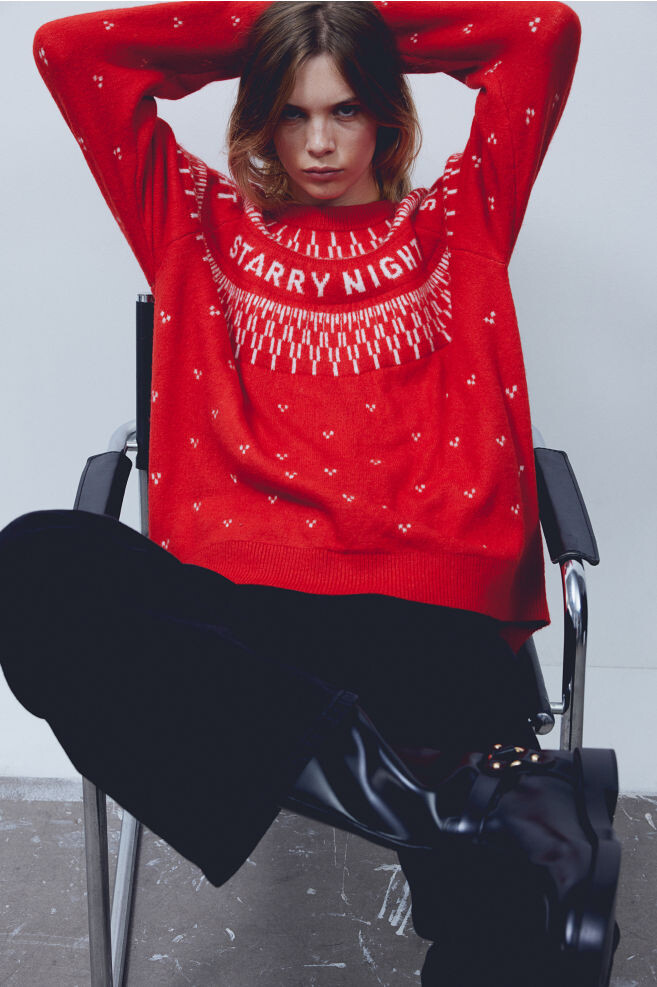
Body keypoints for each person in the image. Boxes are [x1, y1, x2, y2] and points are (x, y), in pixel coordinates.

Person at [0, 2, 621, 984]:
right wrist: (282, 30)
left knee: (513, 918)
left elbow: (539, 34)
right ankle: (431, 806)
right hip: (254, 618)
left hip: (431, 616)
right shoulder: (195, 226)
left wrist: (349, 26)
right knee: (32, 565)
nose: (320, 143)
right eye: (291, 112)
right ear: (259, 118)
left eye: (346, 108)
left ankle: (459, 818)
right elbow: (69, 53)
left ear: (387, 115)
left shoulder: (459, 221)